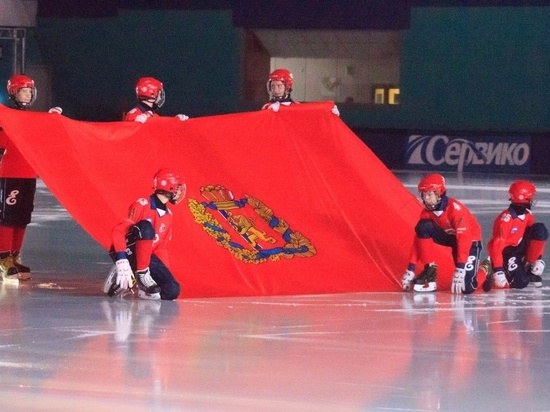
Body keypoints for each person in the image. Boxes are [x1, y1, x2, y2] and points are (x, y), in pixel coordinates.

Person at [0, 74, 62, 281]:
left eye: (29, 91)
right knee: (7, 217)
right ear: (13, 93)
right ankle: (3, 258)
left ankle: (15, 256)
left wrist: (51, 119)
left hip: (28, 174)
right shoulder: (5, 116)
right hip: (9, 174)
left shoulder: (30, 118)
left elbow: (42, 134)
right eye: (23, 91)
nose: (27, 95)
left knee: (22, 217)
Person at [103, 168, 185, 300]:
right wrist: (121, 259)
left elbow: (161, 248)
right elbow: (119, 231)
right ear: (168, 187)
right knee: (146, 227)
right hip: (130, 250)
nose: (180, 192)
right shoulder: (142, 204)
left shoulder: (169, 215)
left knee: (172, 290)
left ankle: (140, 282)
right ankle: (140, 274)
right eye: (177, 187)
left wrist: (163, 271)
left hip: (147, 256)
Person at [401, 173, 483, 294]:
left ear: (439, 192)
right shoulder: (426, 213)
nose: (426, 199)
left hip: (470, 241)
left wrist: (460, 267)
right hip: (451, 237)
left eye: (429, 194)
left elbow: (464, 238)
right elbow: (418, 239)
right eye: (424, 195)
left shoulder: (455, 210)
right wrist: (411, 268)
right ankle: (430, 270)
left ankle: (486, 269)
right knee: (423, 226)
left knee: (467, 287)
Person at [483, 180, 547, 289]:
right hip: (506, 252)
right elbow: (496, 246)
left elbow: (532, 236)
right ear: (525, 198)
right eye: (531, 197)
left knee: (540, 229)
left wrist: (537, 258)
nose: (532, 199)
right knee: (521, 282)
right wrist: (498, 270)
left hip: (518, 247)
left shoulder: (527, 215)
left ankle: (529, 265)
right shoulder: (506, 220)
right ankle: (489, 270)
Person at [262, 68, 340, 115]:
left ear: (287, 87)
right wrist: (267, 110)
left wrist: (328, 112)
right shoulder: (267, 106)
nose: (275, 90)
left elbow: (312, 119)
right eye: (273, 86)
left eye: (279, 86)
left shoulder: (297, 106)